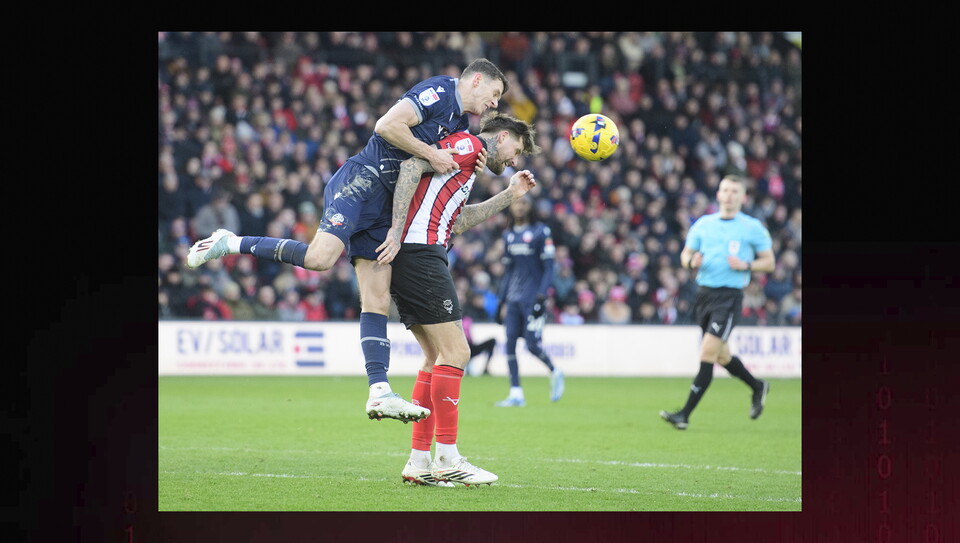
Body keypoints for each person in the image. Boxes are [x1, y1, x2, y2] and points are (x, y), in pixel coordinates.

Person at [186, 58, 508, 423]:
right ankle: (231, 241)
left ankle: (379, 391)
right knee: (320, 259)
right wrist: (432, 153)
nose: (494, 103)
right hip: (363, 180)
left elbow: (441, 170)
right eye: (494, 94)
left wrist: (472, 164)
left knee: (378, 298)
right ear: (477, 80)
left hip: (385, 204)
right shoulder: (438, 91)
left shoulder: (462, 123)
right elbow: (387, 126)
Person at [375, 111, 540, 486]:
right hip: (420, 253)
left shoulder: (466, 165)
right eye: (516, 150)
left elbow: (458, 220)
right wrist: (398, 232)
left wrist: (510, 194)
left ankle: (419, 461)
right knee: (457, 353)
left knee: (434, 358)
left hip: (418, 252)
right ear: (501, 137)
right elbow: (412, 166)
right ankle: (448, 457)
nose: (515, 160)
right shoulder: (469, 145)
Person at [660, 175, 775, 430]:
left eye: (735, 191)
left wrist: (747, 265)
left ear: (743, 197)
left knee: (708, 353)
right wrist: (692, 262)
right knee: (722, 355)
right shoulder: (703, 224)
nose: (729, 195)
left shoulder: (751, 227)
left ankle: (684, 414)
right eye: (725, 190)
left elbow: (769, 262)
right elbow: (685, 255)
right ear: (718, 194)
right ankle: (758, 386)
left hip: (729, 297)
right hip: (704, 294)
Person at [492, 195, 563, 407]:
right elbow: (508, 271)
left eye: (524, 203)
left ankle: (555, 371)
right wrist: (500, 301)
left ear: (530, 207)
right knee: (510, 345)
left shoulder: (541, 232)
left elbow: (549, 267)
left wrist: (542, 296)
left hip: (532, 297)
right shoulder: (508, 235)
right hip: (513, 298)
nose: (520, 207)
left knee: (532, 344)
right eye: (516, 203)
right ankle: (516, 393)